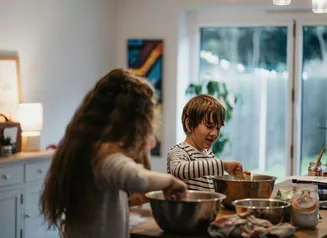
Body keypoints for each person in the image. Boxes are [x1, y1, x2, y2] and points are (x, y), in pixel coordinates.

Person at [40, 69, 187, 238]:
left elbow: (106, 200)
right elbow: (136, 178)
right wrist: (170, 181)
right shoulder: (103, 156)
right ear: (132, 121)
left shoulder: (84, 146)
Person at [167, 94, 245, 191]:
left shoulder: (210, 156)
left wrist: (234, 176)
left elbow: (214, 177)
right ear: (189, 125)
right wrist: (223, 166)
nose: (215, 133)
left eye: (218, 128)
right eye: (209, 126)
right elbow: (179, 169)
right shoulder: (179, 151)